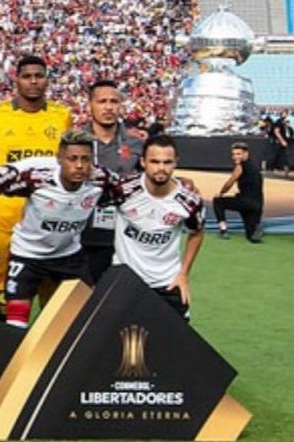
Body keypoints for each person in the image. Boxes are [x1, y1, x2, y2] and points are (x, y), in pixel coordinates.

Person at [0, 55, 73, 319]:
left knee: (51, 298)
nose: (33, 82)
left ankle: (46, 352)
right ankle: (5, 351)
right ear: (16, 79)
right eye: (27, 76)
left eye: (38, 76)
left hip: (47, 218)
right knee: (4, 295)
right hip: (5, 216)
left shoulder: (62, 116)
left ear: (47, 80)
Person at [0, 129, 114, 329]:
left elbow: (133, 189)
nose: (79, 165)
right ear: (59, 159)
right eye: (72, 159)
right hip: (27, 255)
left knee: (87, 316)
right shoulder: (37, 180)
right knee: (15, 321)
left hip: (68, 256)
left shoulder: (101, 180)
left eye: (86, 159)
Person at [108, 134, 204, 319]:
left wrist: (184, 274)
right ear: (143, 162)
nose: (161, 168)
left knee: (174, 343)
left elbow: (197, 232)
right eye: (155, 161)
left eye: (167, 162)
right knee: (119, 342)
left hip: (167, 283)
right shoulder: (123, 190)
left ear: (176, 162)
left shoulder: (189, 201)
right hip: (125, 281)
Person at [81, 79, 144, 282]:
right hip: (83, 232)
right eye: (102, 102)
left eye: (113, 101)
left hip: (126, 233)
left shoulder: (136, 142)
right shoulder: (75, 141)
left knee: (120, 297)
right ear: (90, 105)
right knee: (83, 297)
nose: (108, 107)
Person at [212, 141, 264, 242]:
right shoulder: (255, 167)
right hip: (257, 205)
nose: (235, 157)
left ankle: (223, 230)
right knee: (251, 237)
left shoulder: (240, 166)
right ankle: (255, 229)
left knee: (218, 201)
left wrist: (221, 193)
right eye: (234, 154)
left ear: (246, 153)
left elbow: (230, 182)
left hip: (244, 202)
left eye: (238, 154)